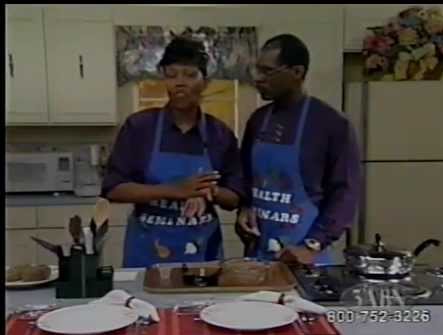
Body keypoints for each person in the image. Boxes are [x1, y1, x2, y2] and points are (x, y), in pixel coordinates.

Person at [102, 37, 243, 267]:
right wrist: (175, 191)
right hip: (147, 253)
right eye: (171, 74)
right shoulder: (139, 127)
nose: (180, 83)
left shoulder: (220, 134)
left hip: (202, 255)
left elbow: (234, 198)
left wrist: (210, 191)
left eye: (189, 75)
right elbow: (114, 189)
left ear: (204, 81)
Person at [236, 34, 361, 265]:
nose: (258, 79)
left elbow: (345, 194)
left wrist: (312, 244)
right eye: (257, 70)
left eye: (267, 71)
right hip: (258, 255)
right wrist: (245, 207)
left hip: (307, 258)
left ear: (297, 72)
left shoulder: (331, 124)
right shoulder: (258, 120)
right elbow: (246, 177)